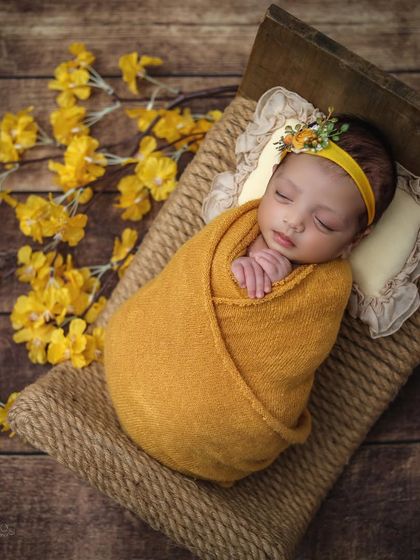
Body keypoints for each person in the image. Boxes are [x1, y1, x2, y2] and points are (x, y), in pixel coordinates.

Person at [231, 111, 397, 299]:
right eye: (283, 195)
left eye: (323, 222)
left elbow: (308, 324)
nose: (294, 221)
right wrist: (228, 273)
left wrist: (279, 290)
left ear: (355, 239)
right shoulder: (237, 223)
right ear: (272, 177)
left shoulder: (330, 285)